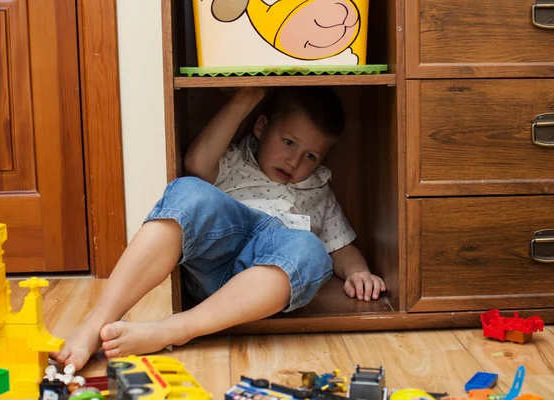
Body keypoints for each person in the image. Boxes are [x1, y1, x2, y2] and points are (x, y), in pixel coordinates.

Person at [50, 86, 386, 370]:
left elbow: (339, 246)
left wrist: (359, 272)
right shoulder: (235, 161)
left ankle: (173, 330)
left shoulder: (318, 189)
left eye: (311, 156)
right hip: (220, 251)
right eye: (288, 143)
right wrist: (245, 96)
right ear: (260, 127)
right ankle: (95, 323)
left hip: (266, 278)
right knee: (189, 191)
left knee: (310, 251)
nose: (295, 161)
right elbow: (196, 163)